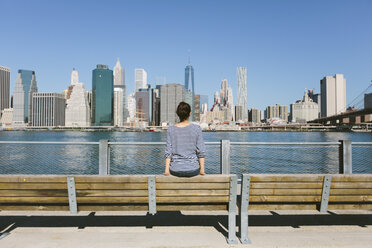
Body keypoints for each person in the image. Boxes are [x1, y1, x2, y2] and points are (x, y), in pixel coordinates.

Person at [164, 102, 206, 177]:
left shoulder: (170, 129)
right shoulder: (197, 129)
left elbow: (168, 152)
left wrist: (167, 170)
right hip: (193, 170)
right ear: (190, 114)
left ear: (177, 114)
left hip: (175, 169)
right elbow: (201, 151)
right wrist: (202, 170)